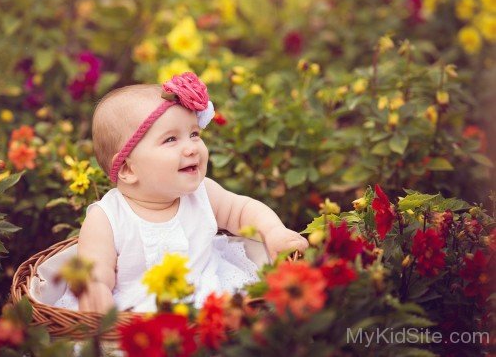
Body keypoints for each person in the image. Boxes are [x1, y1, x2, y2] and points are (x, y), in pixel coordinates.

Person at [54, 72, 309, 313]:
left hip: (211, 297)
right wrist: (96, 290)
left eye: (194, 134)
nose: (191, 148)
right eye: (171, 140)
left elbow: (242, 210)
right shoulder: (107, 217)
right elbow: (94, 268)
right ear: (128, 169)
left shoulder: (202, 193)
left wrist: (274, 231)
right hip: (139, 314)